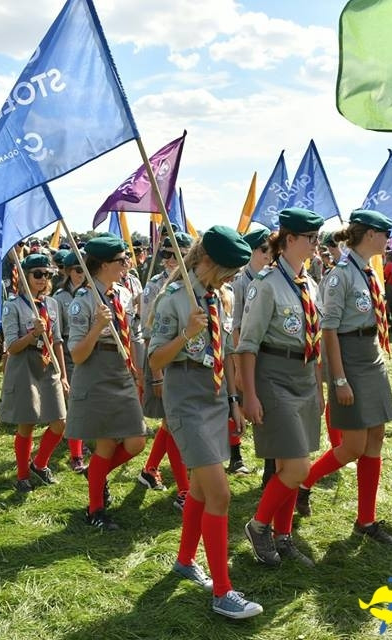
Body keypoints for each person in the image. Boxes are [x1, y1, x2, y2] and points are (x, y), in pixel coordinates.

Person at [148, 226, 263, 619]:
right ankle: (222, 592)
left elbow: (226, 352)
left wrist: (233, 402)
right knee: (220, 495)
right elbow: (155, 360)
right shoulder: (173, 299)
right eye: (228, 271)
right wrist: (186, 333)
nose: (231, 279)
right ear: (208, 261)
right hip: (185, 397)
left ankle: (185, 560)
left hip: (214, 398)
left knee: (200, 489)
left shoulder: (221, 297)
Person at [294, 210, 392, 546]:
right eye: (384, 233)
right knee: (353, 446)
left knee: (376, 437)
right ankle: (303, 483)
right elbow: (328, 331)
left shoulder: (368, 270)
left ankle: (366, 519)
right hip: (349, 359)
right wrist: (339, 380)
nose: (388, 239)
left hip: (370, 356)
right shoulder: (340, 276)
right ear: (370, 234)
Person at [238, 207, 324, 568]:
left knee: (293, 464)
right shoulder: (266, 284)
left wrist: (319, 388)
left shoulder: (310, 284)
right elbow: (247, 344)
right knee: (298, 467)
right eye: (311, 238)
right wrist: (249, 394)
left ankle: (283, 535)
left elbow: (315, 340)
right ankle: (259, 526)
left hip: (304, 377)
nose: (317, 244)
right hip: (274, 378)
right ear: (290, 239)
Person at [65, 234, 147, 530]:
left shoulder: (123, 294)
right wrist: (98, 326)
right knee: (106, 444)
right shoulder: (84, 300)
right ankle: (95, 510)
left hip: (122, 370)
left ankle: (96, 476)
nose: (127, 263)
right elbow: (77, 354)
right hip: (96, 370)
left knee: (137, 441)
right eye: (121, 260)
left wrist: (137, 369)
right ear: (103, 265)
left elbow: (133, 335)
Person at [0, 253, 70, 493]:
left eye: (47, 274)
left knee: (60, 422)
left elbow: (57, 341)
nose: (43, 278)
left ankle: (39, 464)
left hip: (48, 364)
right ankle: (22, 476)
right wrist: (32, 335)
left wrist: (63, 374)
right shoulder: (12, 306)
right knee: (27, 424)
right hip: (24, 366)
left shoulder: (52, 304)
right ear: (25, 276)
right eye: (37, 274)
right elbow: (11, 347)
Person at [137, 232, 194, 510]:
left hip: (190, 365)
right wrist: (157, 376)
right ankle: (184, 490)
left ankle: (149, 469)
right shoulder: (155, 287)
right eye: (166, 254)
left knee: (170, 424)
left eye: (176, 254)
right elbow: (149, 335)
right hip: (164, 364)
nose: (170, 260)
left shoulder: (194, 285)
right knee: (172, 424)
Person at [229, 227, 272, 476]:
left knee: (265, 408)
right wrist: (237, 367)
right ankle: (235, 456)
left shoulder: (269, 278)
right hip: (242, 352)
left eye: (271, 249)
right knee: (236, 404)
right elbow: (236, 327)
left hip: (265, 353)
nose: (269, 254)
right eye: (264, 249)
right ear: (252, 252)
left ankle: (270, 465)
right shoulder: (240, 283)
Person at [51, 250, 90, 472]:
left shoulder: (91, 293)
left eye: (84, 269)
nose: (81, 274)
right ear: (67, 271)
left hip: (90, 348)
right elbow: (57, 333)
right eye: (77, 270)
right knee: (75, 401)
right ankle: (76, 453)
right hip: (69, 349)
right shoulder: (60, 298)